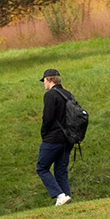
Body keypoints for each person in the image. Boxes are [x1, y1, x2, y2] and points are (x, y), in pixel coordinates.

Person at [37, 69, 76, 206]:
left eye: (44, 81)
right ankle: (67, 198)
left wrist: (44, 133)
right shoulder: (68, 94)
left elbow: (47, 117)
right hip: (68, 139)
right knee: (61, 171)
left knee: (42, 167)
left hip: (53, 138)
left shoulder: (50, 95)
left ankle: (59, 195)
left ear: (49, 80)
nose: (44, 84)